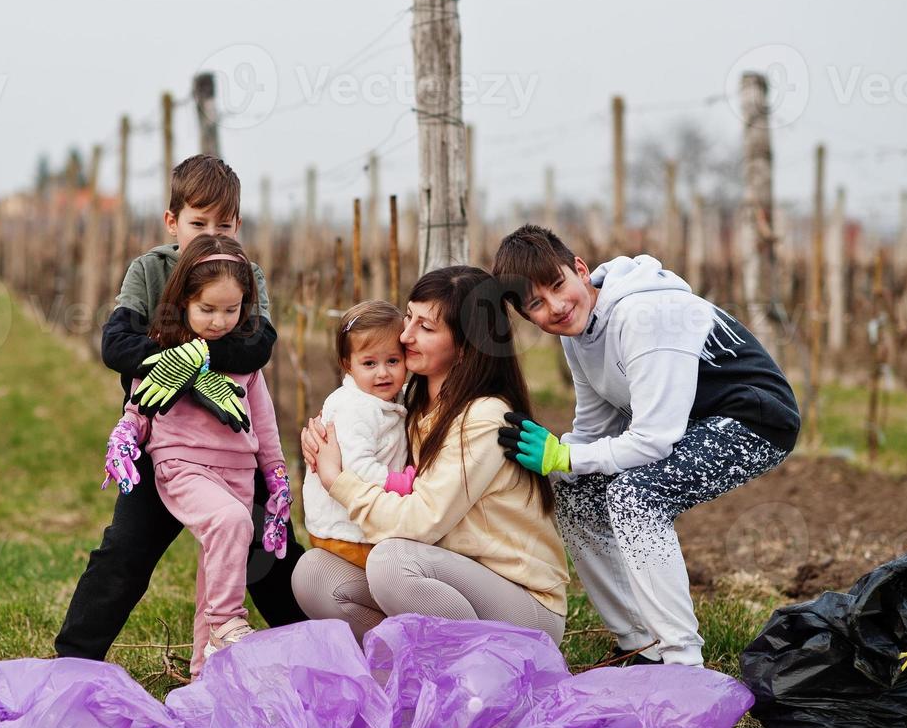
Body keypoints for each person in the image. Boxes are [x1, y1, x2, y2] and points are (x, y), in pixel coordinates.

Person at [492, 224, 800, 667]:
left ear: (580, 270)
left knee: (635, 496)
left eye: (558, 285)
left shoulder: (644, 314)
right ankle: (639, 642)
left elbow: (653, 441)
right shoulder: (577, 335)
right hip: (689, 425)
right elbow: (596, 428)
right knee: (573, 490)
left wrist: (565, 454)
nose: (556, 307)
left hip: (756, 420)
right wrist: (554, 464)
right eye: (536, 304)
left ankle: (682, 662)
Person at [53, 155, 306, 662]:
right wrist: (194, 358)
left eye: (224, 223)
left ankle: (314, 657)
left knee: (270, 557)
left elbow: (256, 348)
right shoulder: (150, 270)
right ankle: (73, 662)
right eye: (197, 222)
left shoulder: (245, 273)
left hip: (234, 444)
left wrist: (181, 357)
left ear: (238, 225)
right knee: (124, 554)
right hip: (163, 444)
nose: (211, 232)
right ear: (172, 221)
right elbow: (115, 345)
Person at [295, 266, 570, 645]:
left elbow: (420, 521)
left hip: (520, 602)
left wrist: (335, 479)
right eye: (409, 318)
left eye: (426, 327)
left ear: (465, 344)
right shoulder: (413, 406)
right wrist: (326, 436)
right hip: (442, 579)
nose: (405, 335)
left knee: (391, 563)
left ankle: (472, 671)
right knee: (312, 573)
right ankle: (405, 670)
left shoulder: (483, 417)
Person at [105, 236, 291, 677]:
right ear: (183, 302)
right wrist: (125, 435)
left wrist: (277, 476)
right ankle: (229, 620)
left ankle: (202, 682)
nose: (220, 321)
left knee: (217, 568)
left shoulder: (245, 363)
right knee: (230, 523)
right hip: (182, 466)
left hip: (239, 474)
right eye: (207, 310)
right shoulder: (166, 357)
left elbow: (263, 423)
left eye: (231, 311)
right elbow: (140, 405)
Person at [300, 301, 418, 570]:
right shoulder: (357, 408)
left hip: (352, 526)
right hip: (346, 533)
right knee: (396, 569)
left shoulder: (384, 398)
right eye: (369, 363)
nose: (383, 372)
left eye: (392, 360)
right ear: (347, 365)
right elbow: (357, 467)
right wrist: (400, 483)